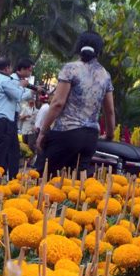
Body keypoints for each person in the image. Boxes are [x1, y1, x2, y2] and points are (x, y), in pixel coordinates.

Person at [35, 31, 115, 176]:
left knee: (42, 177)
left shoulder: (71, 68)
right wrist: (109, 135)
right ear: (99, 51)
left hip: (67, 133)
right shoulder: (105, 75)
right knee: (76, 185)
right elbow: (109, 111)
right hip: (90, 138)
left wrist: (43, 131)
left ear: (78, 47)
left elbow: (58, 103)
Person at [14, 58, 39, 147]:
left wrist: (32, 92)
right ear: (23, 69)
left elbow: (22, 96)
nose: (30, 73)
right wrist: (23, 87)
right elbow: (17, 97)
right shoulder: (14, 79)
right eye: (30, 70)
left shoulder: (21, 80)